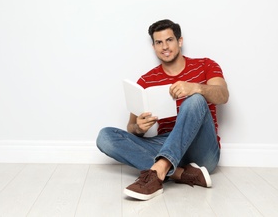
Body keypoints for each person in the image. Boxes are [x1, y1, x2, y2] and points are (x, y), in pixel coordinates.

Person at [96, 19, 229, 200]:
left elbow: (223, 95)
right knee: (105, 137)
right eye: (159, 42)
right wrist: (139, 128)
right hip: (166, 143)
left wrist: (196, 88)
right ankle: (181, 173)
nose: (165, 47)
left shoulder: (205, 65)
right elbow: (131, 126)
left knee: (195, 100)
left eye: (169, 40)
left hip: (202, 151)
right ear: (153, 46)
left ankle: (158, 172)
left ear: (179, 41)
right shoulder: (146, 81)